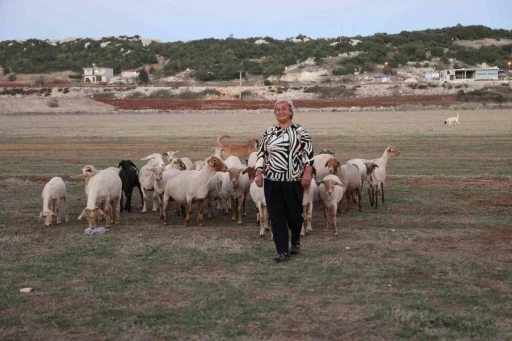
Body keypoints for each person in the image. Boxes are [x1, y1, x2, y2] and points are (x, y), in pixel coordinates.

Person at [255, 99, 314, 262]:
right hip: (272, 180)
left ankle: (295, 240)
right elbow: (261, 154)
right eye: (277, 110)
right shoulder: (268, 133)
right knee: (276, 215)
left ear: (290, 112)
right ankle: (282, 251)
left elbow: (308, 154)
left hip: (293, 180)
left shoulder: (301, 131)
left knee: (295, 215)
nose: (280, 112)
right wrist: (259, 173)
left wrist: (307, 173)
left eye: (284, 109)